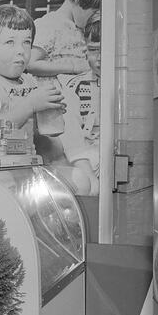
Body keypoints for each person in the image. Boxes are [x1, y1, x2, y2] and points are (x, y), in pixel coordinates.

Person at [0, 4, 65, 144]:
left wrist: (48, 114)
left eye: (26, 42)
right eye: (10, 42)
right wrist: (30, 105)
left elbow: (40, 134)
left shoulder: (29, 81)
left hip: (27, 159)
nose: (21, 50)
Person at [48, 11, 104, 195]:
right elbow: (72, 134)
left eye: (105, 50)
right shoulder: (75, 86)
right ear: (85, 51)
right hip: (85, 160)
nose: (100, 58)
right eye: (94, 50)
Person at [28, 0, 101, 78]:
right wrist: (73, 68)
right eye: (94, 12)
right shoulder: (49, 24)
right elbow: (31, 63)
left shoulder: (80, 28)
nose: (94, 20)